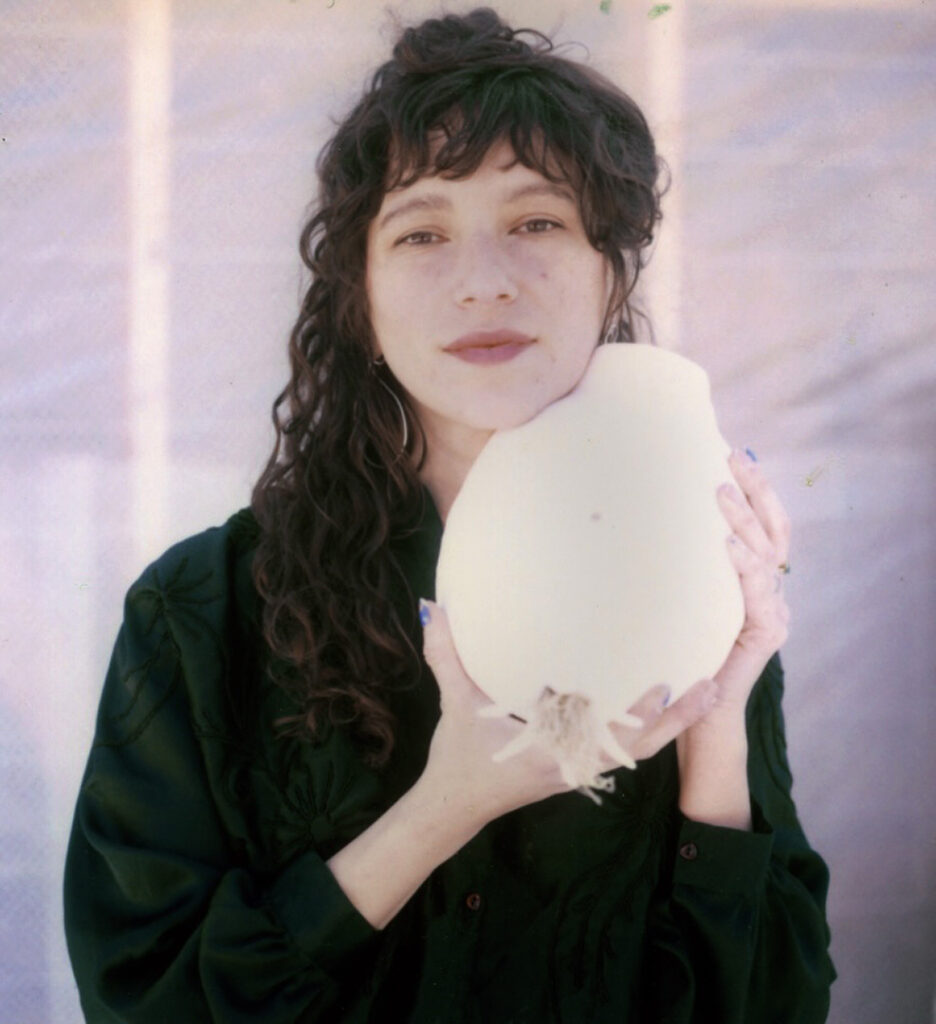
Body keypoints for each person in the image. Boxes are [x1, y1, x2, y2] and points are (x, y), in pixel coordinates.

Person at [64, 8, 835, 1022]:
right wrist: (448, 804)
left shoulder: (694, 584)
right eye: (422, 232)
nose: (483, 282)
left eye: (536, 222)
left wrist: (720, 717)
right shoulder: (201, 612)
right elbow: (146, 997)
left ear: (612, 272)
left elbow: (773, 1004)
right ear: (361, 297)